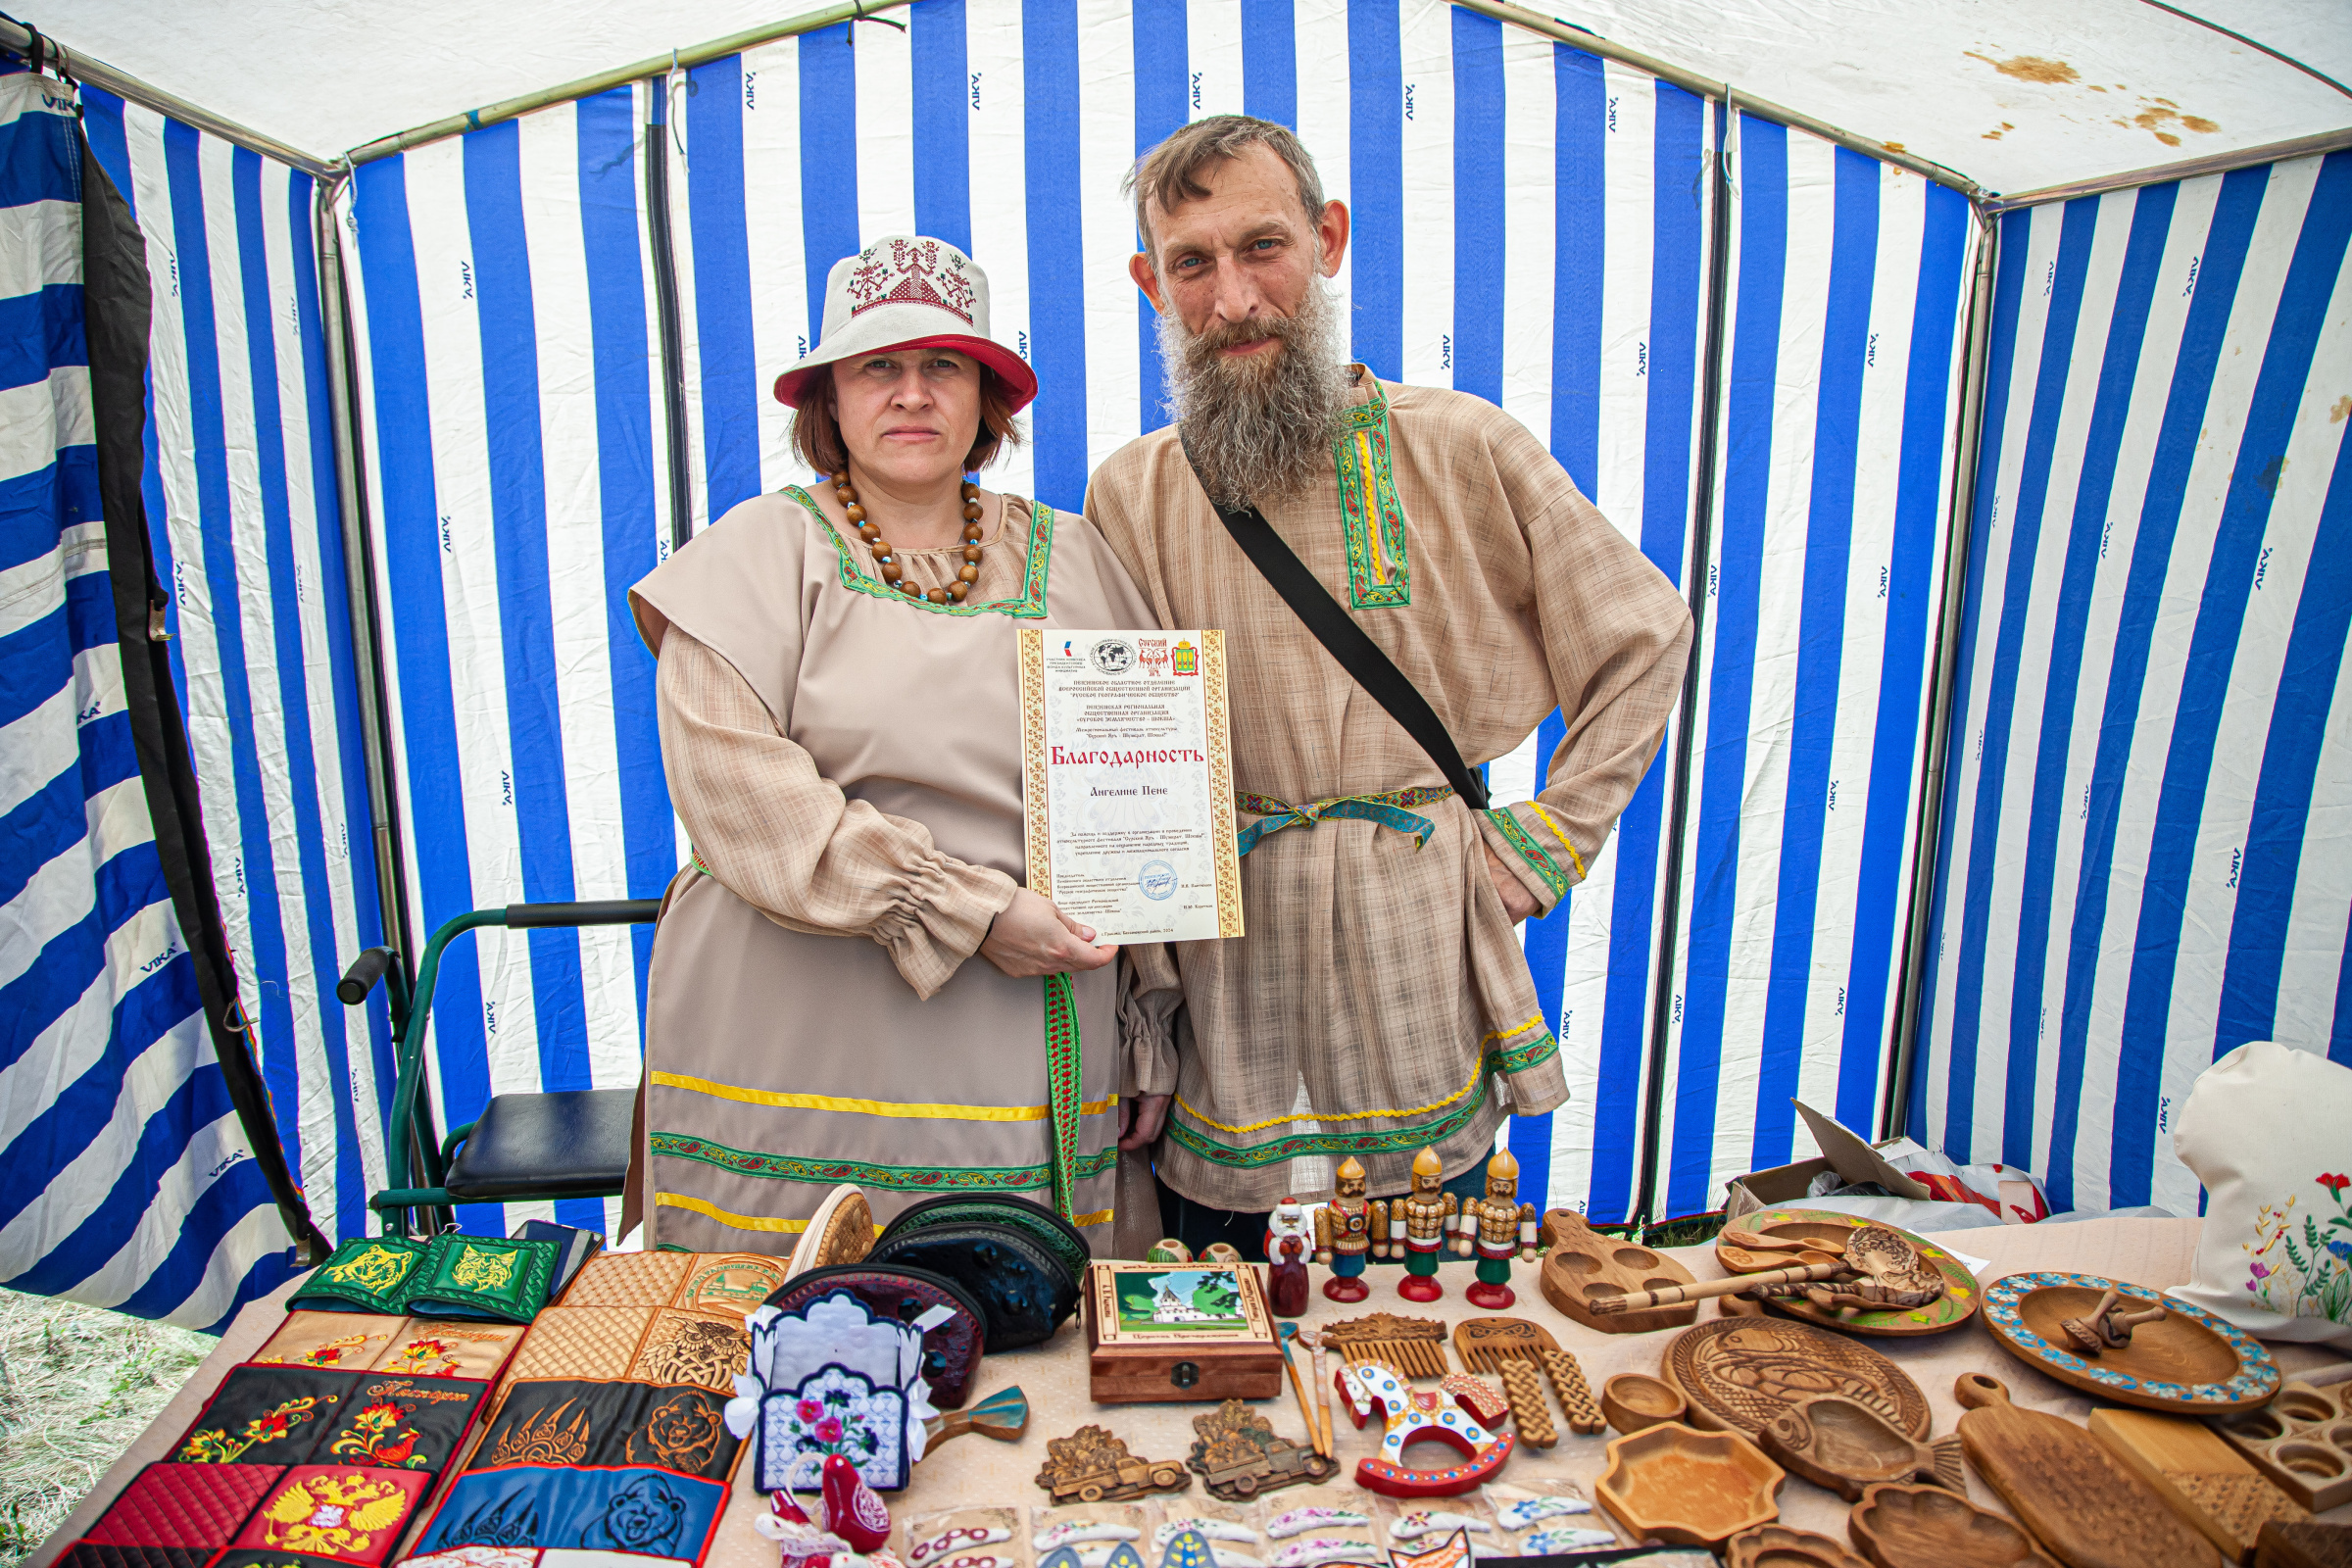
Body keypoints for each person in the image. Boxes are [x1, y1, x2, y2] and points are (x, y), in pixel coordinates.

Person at [1088, 116, 1692, 1255]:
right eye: (1191, 263)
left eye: (1262, 247)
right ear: (1150, 284)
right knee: (1229, 1283)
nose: (1233, 299)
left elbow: (1642, 634)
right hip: (1230, 971)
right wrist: (1144, 1031)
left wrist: (1545, 844)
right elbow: (1120, 780)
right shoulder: (1130, 493)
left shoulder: (1465, 447)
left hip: (1415, 933)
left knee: (1426, 1278)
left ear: (1327, 239)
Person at [624, 235, 1156, 1252]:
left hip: (1026, 1027)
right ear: (830, 398)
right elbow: (744, 799)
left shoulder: (1079, 560)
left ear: (986, 397)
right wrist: (967, 909)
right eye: (879, 366)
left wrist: (1148, 1031)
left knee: (1017, 1310)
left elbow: (1148, 802)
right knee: (786, 1317)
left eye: (944, 365)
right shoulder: (752, 556)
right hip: (792, 1030)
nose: (912, 394)